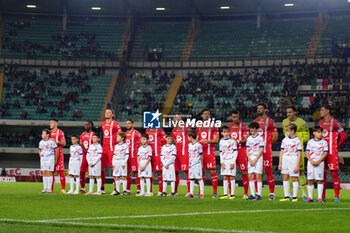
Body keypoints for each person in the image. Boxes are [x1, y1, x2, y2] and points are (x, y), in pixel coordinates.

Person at [318, 105, 347, 202]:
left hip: (331, 153)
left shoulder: (335, 123)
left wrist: (336, 147)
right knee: (323, 175)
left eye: (322, 110)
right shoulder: (320, 123)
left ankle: (336, 197)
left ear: (328, 111)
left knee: (334, 174)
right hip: (322, 153)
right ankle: (322, 196)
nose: (320, 112)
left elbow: (343, 136)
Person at [282, 105, 309, 201]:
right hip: (287, 151)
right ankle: (289, 193)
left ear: (295, 112)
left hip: (297, 151)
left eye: (290, 112)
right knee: (287, 174)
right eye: (287, 112)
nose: (288, 114)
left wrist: (296, 136)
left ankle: (304, 193)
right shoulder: (284, 122)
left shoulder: (302, 122)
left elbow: (307, 137)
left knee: (300, 172)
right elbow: (285, 135)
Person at [253, 103, 278, 200]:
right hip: (256, 151)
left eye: (261, 108)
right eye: (258, 108)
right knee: (256, 173)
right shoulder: (254, 122)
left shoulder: (270, 122)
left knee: (268, 172)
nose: (259, 110)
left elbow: (275, 136)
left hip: (266, 151)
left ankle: (272, 193)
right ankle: (257, 193)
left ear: (265, 110)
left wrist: (267, 145)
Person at [196, 109, 219, 198]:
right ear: (201, 116)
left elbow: (216, 140)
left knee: (212, 171)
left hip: (209, 151)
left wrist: (207, 141)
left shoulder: (213, 126)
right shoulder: (199, 127)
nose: (206, 116)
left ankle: (215, 193)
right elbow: (197, 139)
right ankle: (201, 192)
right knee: (201, 171)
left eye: (208, 114)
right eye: (204, 114)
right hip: (200, 152)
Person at [228, 109, 250, 199]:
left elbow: (246, 139)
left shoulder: (243, 126)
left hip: (241, 150)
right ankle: (230, 193)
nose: (236, 118)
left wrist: (237, 141)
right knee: (230, 173)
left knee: (243, 172)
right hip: (231, 151)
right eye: (234, 117)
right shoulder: (228, 127)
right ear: (230, 117)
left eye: (237, 117)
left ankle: (245, 193)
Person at [304, 126, 328, 203]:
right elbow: (307, 152)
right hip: (310, 163)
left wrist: (319, 161)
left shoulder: (324, 142)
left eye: (321, 132)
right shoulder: (310, 142)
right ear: (314, 133)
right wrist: (311, 160)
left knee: (319, 180)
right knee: (310, 180)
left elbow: (325, 153)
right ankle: (310, 197)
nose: (320, 134)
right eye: (318, 132)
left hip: (320, 163)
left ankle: (319, 198)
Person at [279, 123, 302, 202]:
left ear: (293, 131)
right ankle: (286, 196)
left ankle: (295, 197)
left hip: (293, 158)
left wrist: (297, 165)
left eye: (288, 130)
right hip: (285, 158)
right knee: (285, 177)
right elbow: (281, 151)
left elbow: (299, 154)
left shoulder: (297, 140)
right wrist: (280, 163)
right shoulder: (284, 140)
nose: (287, 132)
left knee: (294, 177)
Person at [101, 109, 122, 194]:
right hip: (104, 148)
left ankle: (116, 188)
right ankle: (102, 188)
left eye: (109, 112)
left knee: (114, 167)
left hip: (112, 148)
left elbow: (120, 135)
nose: (107, 113)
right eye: (106, 112)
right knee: (102, 167)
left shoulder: (116, 124)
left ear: (113, 115)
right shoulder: (103, 124)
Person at [172, 113, 191, 195]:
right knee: (175, 172)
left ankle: (190, 191)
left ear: (181, 118)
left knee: (187, 172)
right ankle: (175, 192)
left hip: (185, 153)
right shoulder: (174, 130)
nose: (174, 119)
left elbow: (192, 138)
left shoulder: (187, 128)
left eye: (176, 117)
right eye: (174, 118)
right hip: (177, 153)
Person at [246, 122, 264, 200]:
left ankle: (259, 194)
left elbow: (261, 149)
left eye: (253, 128)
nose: (251, 130)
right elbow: (247, 149)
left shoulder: (260, 138)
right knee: (250, 175)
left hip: (258, 157)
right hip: (251, 157)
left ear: (256, 129)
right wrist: (249, 159)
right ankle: (252, 194)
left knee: (258, 175)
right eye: (250, 129)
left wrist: (255, 159)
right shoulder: (249, 138)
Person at [145, 127, 166, 196]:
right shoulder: (147, 129)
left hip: (157, 154)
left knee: (159, 171)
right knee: (149, 172)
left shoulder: (160, 129)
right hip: (148, 154)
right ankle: (149, 191)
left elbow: (164, 141)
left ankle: (160, 191)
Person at [219, 125, 238, 200]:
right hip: (224, 160)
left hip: (231, 160)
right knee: (225, 176)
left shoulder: (232, 141)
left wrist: (233, 162)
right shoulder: (221, 141)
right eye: (224, 132)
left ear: (229, 132)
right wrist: (221, 162)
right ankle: (225, 194)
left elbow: (235, 152)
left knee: (232, 176)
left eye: (227, 132)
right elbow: (221, 152)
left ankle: (232, 194)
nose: (226, 133)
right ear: (222, 133)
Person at [185, 130, 205, 198]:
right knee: (191, 178)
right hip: (191, 164)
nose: (187, 138)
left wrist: (202, 164)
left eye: (188, 137)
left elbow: (201, 155)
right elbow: (189, 154)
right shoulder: (189, 145)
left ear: (191, 137)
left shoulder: (199, 145)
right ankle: (191, 193)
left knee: (199, 178)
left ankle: (202, 193)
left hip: (197, 164)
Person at [49, 118, 66, 193]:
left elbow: (64, 143)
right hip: (50, 154)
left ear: (56, 124)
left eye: (52, 123)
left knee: (61, 171)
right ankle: (51, 189)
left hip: (58, 154)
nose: (50, 124)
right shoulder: (48, 133)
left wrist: (56, 141)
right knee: (51, 171)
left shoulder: (60, 132)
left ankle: (63, 189)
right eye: (50, 123)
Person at [125, 119, 142, 195]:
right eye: (126, 124)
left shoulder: (137, 133)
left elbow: (141, 143)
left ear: (133, 124)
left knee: (136, 173)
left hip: (134, 156)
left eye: (129, 123)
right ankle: (128, 190)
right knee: (127, 173)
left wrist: (139, 154)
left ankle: (139, 189)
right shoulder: (125, 134)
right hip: (126, 157)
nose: (127, 125)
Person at [38, 129, 58, 193]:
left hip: (50, 158)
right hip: (43, 158)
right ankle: (45, 188)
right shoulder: (41, 142)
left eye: (43, 134)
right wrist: (41, 156)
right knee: (44, 172)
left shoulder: (52, 142)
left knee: (49, 172)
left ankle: (49, 188)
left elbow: (56, 150)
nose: (42, 135)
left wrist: (55, 159)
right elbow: (39, 150)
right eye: (42, 133)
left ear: (47, 135)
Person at [79, 121, 94, 194]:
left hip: (91, 155)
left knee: (92, 173)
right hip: (84, 155)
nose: (86, 125)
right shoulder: (82, 134)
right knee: (82, 171)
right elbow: (81, 143)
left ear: (91, 126)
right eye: (85, 124)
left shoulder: (93, 134)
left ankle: (95, 189)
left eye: (88, 124)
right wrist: (82, 146)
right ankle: (82, 188)